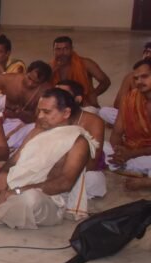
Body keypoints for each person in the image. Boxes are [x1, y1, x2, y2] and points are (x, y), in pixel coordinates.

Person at [0, 88, 97, 228]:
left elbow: (65, 183)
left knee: (30, 200)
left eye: (47, 112)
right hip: (13, 186)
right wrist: (3, 175)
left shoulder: (78, 141)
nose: (40, 116)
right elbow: (14, 159)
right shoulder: (38, 130)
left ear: (66, 113)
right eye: (39, 111)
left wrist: (18, 191)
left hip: (46, 200)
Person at [0, 61, 54, 151]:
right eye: (29, 78)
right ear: (26, 72)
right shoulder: (10, 79)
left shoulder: (46, 91)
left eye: (35, 83)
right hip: (2, 117)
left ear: (42, 83)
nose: (30, 84)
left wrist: (22, 114)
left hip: (25, 124)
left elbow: (40, 119)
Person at [56, 79, 107, 198]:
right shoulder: (52, 116)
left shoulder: (94, 121)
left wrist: (67, 173)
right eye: (56, 94)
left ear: (77, 99)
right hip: (53, 168)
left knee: (93, 180)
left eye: (63, 95)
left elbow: (93, 160)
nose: (57, 99)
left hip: (81, 170)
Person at [107, 58, 151, 191]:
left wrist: (130, 154)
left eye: (144, 77)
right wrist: (118, 151)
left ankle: (146, 182)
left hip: (139, 152)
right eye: (136, 78)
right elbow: (117, 132)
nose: (139, 82)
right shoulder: (130, 98)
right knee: (98, 148)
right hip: (134, 150)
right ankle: (132, 166)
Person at [50, 36, 110, 108]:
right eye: (58, 49)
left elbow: (105, 81)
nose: (62, 53)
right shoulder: (50, 67)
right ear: (53, 51)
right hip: (59, 105)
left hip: (85, 104)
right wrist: (51, 73)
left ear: (72, 49)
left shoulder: (85, 63)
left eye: (66, 49)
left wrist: (93, 94)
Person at [100, 42, 151, 126]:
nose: (148, 55)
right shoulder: (131, 76)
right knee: (104, 111)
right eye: (146, 52)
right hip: (134, 115)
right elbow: (118, 104)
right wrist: (134, 99)